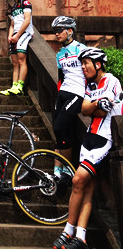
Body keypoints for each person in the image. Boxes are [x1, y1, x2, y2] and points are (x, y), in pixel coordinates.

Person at [53, 47, 122, 249]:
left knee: (77, 180)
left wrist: (94, 105)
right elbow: (84, 109)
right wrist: (96, 104)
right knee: (87, 188)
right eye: (81, 63)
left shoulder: (111, 81)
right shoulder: (90, 85)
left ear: (98, 64)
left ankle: (68, 230)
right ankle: (80, 237)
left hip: (105, 139)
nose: (82, 67)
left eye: (86, 63)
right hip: (89, 138)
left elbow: (103, 111)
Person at [51, 16, 86, 181]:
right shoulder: (59, 54)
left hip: (77, 93)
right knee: (59, 132)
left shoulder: (80, 49)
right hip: (63, 94)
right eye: (55, 31)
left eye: (59, 30)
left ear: (70, 31)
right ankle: (57, 171)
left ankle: (67, 168)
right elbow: (61, 78)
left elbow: (89, 73)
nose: (56, 34)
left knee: (60, 127)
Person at [0, 0, 33, 96]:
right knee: (14, 62)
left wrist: (18, 35)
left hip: (24, 33)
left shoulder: (26, 3)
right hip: (15, 35)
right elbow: (12, 25)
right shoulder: (14, 7)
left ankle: (20, 85)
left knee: (21, 59)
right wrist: (10, 36)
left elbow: (27, 20)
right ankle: (14, 86)